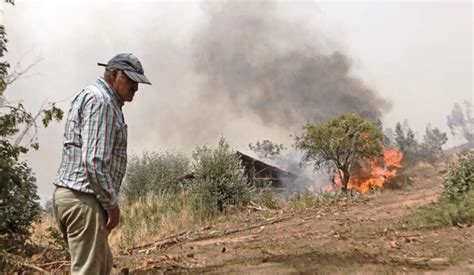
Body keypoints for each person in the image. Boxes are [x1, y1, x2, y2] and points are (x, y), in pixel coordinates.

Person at [53, 53, 151, 274]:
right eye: (131, 80)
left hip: (78, 197)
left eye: (137, 82)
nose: (136, 87)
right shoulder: (102, 102)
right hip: (85, 198)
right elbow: (94, 161)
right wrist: (112, 205)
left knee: (101, 267)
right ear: (113, 75)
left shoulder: (91, 96)